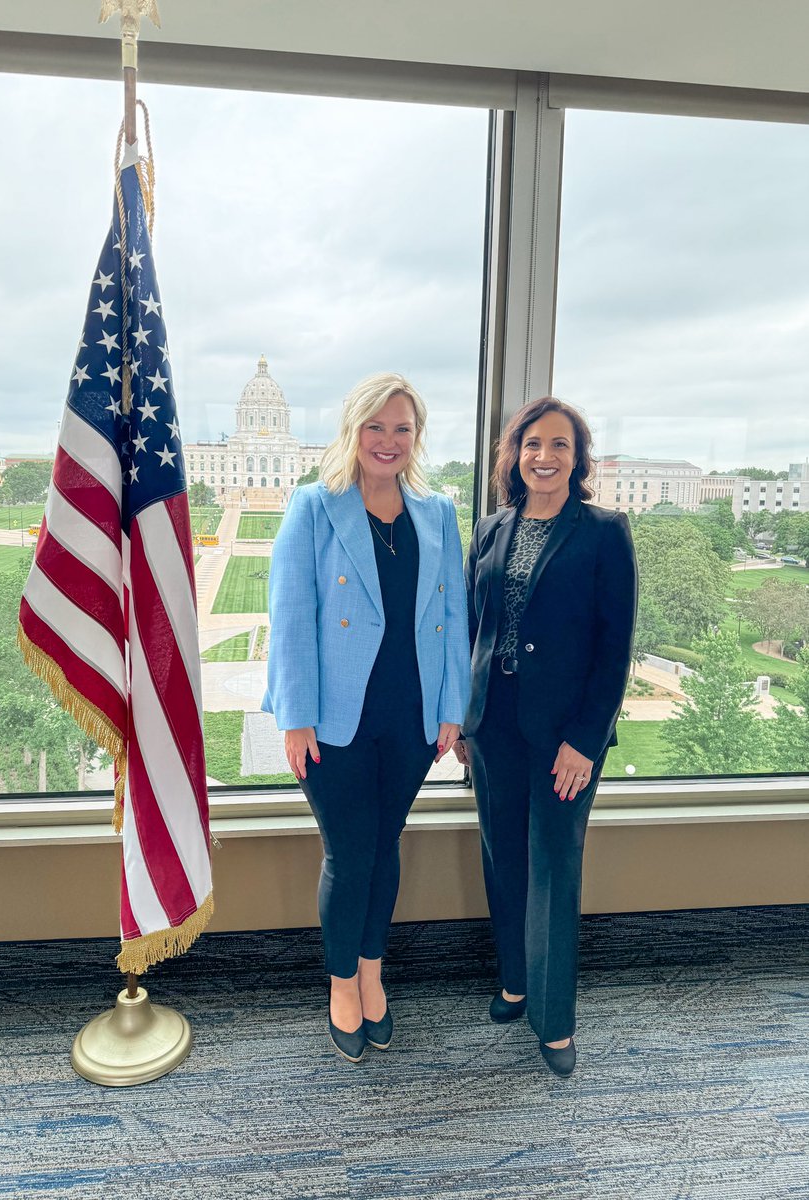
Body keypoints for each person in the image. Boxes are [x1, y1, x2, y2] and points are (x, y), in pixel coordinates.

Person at [263, 373, 471, 1063]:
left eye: (402, 429)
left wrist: (451, 712)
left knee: (386, 848)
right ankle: (342, 985)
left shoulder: (438, 512)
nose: (388, 441)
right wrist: (295, 719)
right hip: (333, 721)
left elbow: (452, 616)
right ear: (354, 431)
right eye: (376, 427)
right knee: (350, 855)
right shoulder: (314, 507)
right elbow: (291, 619)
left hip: (411, 720)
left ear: (417, 438)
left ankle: (375, 970)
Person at [455, 396, 637, 1077]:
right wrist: (467, 717)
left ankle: (554, 1019)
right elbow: (479, 629)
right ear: (516, 454)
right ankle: (515, 982)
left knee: (554, 869)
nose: (545, 456)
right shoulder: (491, 529)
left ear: (578, 459)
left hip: (565, 737)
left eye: (560, 445)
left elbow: (614, 648)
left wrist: (587, 740)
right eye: (533, 443)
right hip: (494, 726)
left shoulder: (603, 531)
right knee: (504, 859)